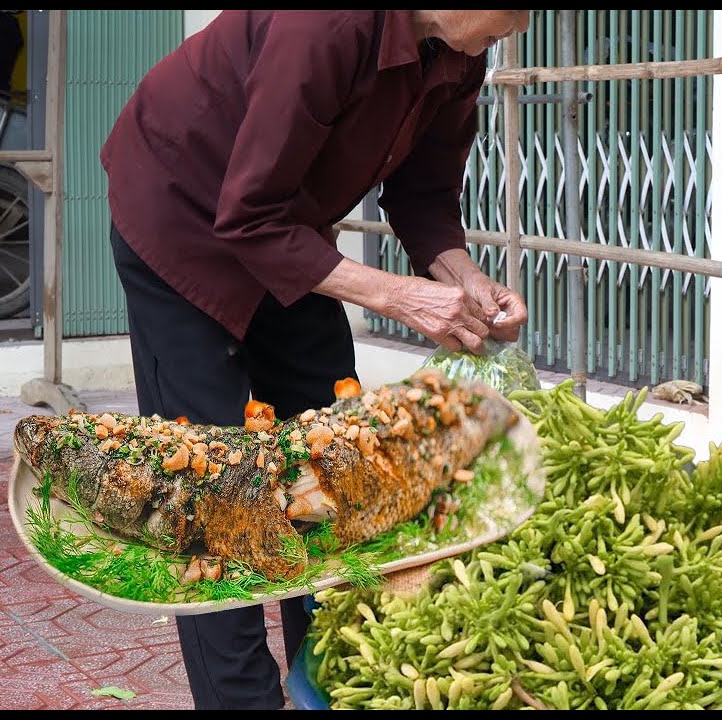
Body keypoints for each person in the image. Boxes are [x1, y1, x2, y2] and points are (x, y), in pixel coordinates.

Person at [100, 10, 532, 710]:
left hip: (284, 234)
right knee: (215, 489)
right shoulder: (327, 25)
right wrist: (403, 298)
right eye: (514, 13)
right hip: (181, 219)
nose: (516, 30)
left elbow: (424, 199)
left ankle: (334, 680)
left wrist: (464, 281)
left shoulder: (460, 51)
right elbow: (245, 217)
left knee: (334, 466)